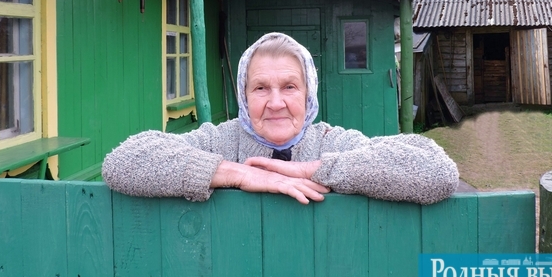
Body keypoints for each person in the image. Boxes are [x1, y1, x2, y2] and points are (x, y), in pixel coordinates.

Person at [103, 32, 458, 205]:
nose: (275, 103)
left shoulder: (332, 142)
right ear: (243, 95)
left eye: (289, 86)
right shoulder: (219, 140)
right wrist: (235, 173)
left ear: (309, 94)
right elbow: (122, 161)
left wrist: (317, 170)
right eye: (260, 88)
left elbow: (438, 173)